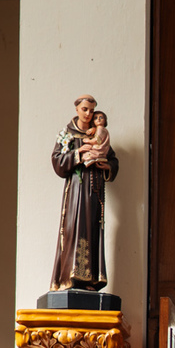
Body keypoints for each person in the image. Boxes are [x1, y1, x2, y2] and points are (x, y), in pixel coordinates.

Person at [49, 94, 119, 296]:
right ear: (77, 109)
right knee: (74, 229)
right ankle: (69, 278)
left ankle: (91, 279)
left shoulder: (99, 134)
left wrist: (106, 165)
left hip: (95, 192)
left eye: (92, 110)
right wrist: (79, 153)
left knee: (92, 229)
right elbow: (57, 161)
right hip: (76, 194)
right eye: (85, 109)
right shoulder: (68, 135)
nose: (88, 114)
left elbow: (112, 160)